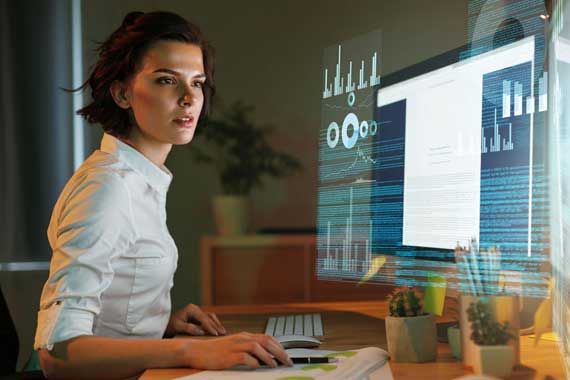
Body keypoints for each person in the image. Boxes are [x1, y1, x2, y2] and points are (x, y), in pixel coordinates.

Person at [35, 11, 292, 379]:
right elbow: (57, 354)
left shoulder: (142, 180)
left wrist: (156, 325)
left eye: (198, 82)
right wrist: (187, 350)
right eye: (167, 80)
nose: (189, 98)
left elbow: (107, 310)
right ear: (123, 93)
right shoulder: (106, 189)